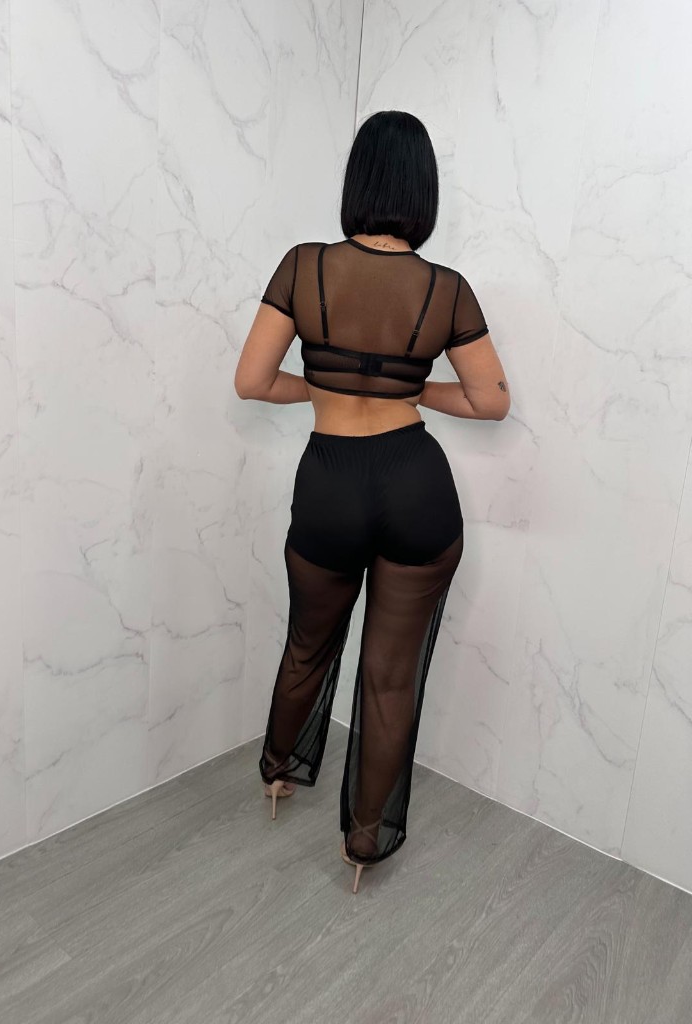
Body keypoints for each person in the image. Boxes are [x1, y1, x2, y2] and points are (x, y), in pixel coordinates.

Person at [234, 110, 510, 894]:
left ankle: (280, 774)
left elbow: (252, 382)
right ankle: (364, 844)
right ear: (424, 193)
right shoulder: (446, 289)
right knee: (390, 679)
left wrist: (321, 385)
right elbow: (491, 400)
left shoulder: (303, 266)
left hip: (330, 481)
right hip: (416, 483)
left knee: (308, 644)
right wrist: (411, 387)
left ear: (357, 181)